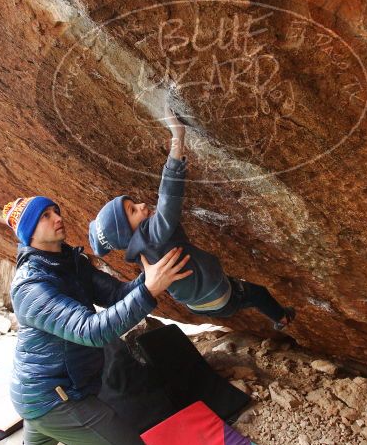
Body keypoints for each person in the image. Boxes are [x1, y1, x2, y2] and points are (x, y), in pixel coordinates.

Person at [2, 194, 192, 445]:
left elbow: (116, 294)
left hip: (38, 395)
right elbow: (90, 331)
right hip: (55, 398)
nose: (58, 218)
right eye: (45, 216)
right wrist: (149, 289)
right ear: (28, 231)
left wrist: (150, 276)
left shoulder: (70, 263)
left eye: (56, 210)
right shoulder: (30, 287)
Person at [88, 107, 295, 330]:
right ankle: (282, 319)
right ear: (126, 232)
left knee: (240, 293)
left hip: (197, 302)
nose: (141, 205)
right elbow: (168, 199)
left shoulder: (140, 253)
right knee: (257, 293)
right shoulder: (152, 237)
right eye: (132, 211)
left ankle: (263, 309)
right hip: (216, 292)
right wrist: (178, 136)